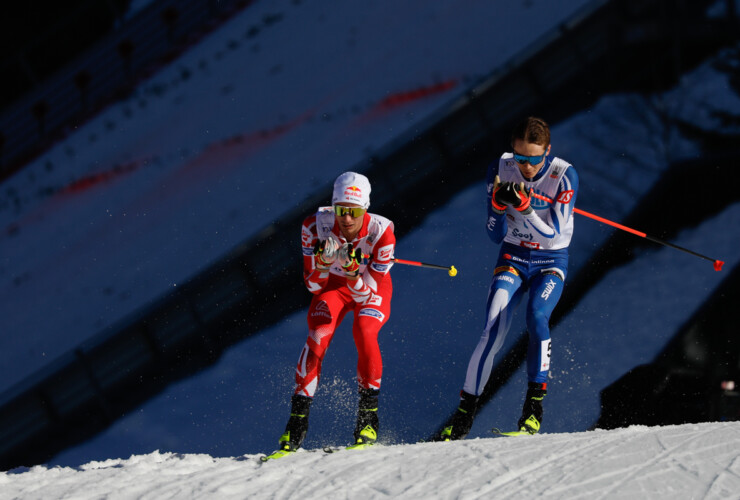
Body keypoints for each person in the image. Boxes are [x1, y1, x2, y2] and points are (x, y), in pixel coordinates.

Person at [441, 116, 579, 440]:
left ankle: (533, 412)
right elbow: (494, 234)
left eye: (533, 160)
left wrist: (527, 208)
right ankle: (463, 418)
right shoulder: (501, 169)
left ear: (547, 152)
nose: (526, 167)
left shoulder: (564, 176)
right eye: (520, 158)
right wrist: (499, 208)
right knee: (492, 328)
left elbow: (552, 236)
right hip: (514, 256)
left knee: (537, 317)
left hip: (550, 260)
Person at [270, 171, 396, 456]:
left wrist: (352, 274)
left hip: (368, 286)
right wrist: (324, 264)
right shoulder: (314, 226)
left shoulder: (383, 232)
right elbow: (314, 285)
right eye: (341, 210)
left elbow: (368, 295)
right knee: (317, 335)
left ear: (365, 208)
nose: (347, 219)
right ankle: (297, 422)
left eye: (354, 212)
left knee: (364, 332)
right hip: (333, 287)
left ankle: (367, 419)